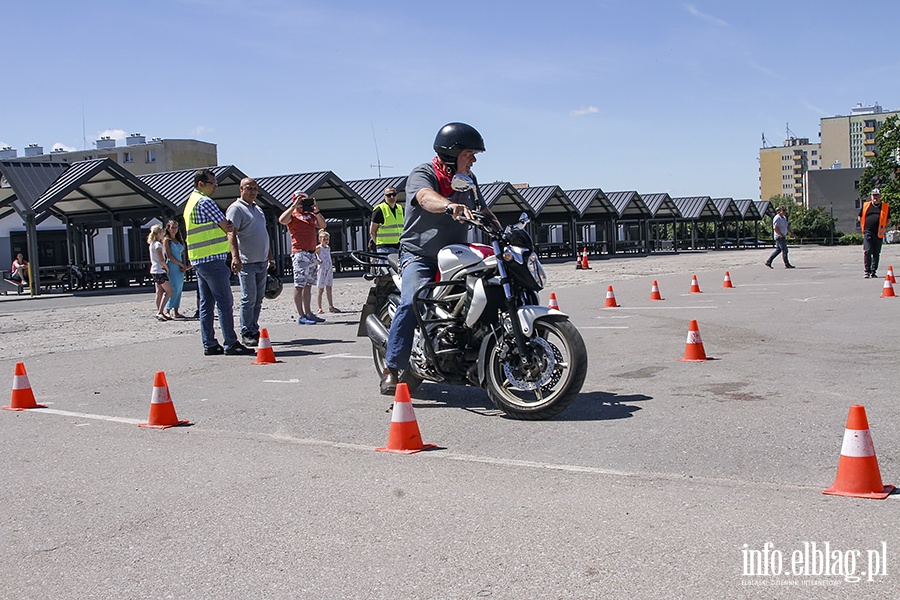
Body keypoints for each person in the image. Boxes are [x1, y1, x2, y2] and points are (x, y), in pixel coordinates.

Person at [379, 122, 497, 395]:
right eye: (469, 153)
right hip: (419, 255)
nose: (474, 159)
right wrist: (449, 205)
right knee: (413, 301)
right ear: (451, 153)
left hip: (456, 255)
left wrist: (504, 229)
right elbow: (424, 197)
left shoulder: (469, 180)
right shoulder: (423, 173)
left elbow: (483, 209)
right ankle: (392, 368)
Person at [183, 169, 252, 356]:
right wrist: (228, 226)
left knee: (206, 304)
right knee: (224, 302)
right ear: (201, 184)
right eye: (213, 184)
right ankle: (230, 342)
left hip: (199, 259)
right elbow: (226, 226)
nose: (215, 187)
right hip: (213, 259)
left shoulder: (191, 202)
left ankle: (210, 343)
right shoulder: (205, 201)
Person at [227, 177, 274, 346]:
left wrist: (270, 257)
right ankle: (246, 330)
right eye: (249, 188)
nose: (253, 191)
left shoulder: (258, 209)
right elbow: (231, 234)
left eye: (255, 188)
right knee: (249, 297)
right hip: (247, 261)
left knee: (259, 297)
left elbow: (263, 234)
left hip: (261, 261)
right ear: (241, 189)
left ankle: (254, 327)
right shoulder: (236, 209)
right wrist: (235, 257)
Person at [279, 190, 326, 325]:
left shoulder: (311, 215)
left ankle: (309, 313)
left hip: (311, 253)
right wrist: (294, 206)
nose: (302, 202)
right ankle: (301, 315)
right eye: (300, 199)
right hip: (300, 252)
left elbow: (323, 225)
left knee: (308, 285)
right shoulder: (292, 215)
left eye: (305, 200)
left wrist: (316, 211)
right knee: (299, 285)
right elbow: (282, 220)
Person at [858, 188, 890, 278]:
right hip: (868, 231)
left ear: (880, 196)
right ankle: (867, 271)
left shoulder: (885, 206)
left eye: (877, 195)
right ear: (871, 196)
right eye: (874, 195)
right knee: (867, 251)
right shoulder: (866, 205)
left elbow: (888, 219)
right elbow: (860, 217)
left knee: (876, 253)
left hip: (879, 233)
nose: (875, 197)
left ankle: (873, 271)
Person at [163, 219, 190, 319]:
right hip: (172, 266)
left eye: (176, 227)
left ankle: (176, 310)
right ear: (168, 229)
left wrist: (184, 264)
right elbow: (169, 256)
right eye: (172, 227)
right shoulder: (167, 240)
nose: (174, 229)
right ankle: (168, 309)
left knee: (179, 288)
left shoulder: (178, 240)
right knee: (173, 288)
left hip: (179, 266)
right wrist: (180, 264)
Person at [147, 224, 173, 322]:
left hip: (154, 270)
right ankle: (160, 312)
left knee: (159, 292)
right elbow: (162, 259)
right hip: (159, 270)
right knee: (169, 291)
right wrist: (167, 268)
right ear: (159, 233)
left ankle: (160, 310)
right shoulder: (158, 245)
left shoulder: (152, 244)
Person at [370, 185, 404, 255]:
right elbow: (372, 231)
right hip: (384, 249)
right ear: (385, 196)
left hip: (399, 247)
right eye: (389, 195)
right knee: (385, 266)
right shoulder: (379, 210)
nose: (392, 197)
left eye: (394, 194)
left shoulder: (400, 209)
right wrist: (379, 245)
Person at [315, 229, 341, 314]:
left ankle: (331, 306)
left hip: (329, 268)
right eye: (324, 239)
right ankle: (319, 307)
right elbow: (313, 255)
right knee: (320, 289)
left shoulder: (328, 248)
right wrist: (317, 260)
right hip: (322, 268)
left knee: (329, 287)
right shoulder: (318, 248)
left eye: (327, 239)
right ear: (320, 239)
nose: (326, 241)